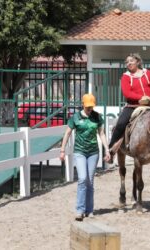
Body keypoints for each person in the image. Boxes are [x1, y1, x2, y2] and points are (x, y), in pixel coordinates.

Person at [60, 93, 111, 221]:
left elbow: (102, 134)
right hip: (80, 151)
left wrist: (107, 149)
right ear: (83, 104)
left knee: (90, 181)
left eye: (91, 106)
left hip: (93, 152)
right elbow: (67, 133)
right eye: (87, 106)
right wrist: (62, 150)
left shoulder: (97, 117)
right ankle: (79, 210)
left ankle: (89, 210)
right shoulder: (75, 117)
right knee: (82, 179)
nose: (89, 109)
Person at [108, 53, 150, 160]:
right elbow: (127, 93)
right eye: (127, 62)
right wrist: (142, 97)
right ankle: (111, 150)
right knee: (121, 124)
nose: (128, 63)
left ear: (138, 61)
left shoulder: (148, 73)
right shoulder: (125, 77)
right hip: (133, 105)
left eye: (131, 61)